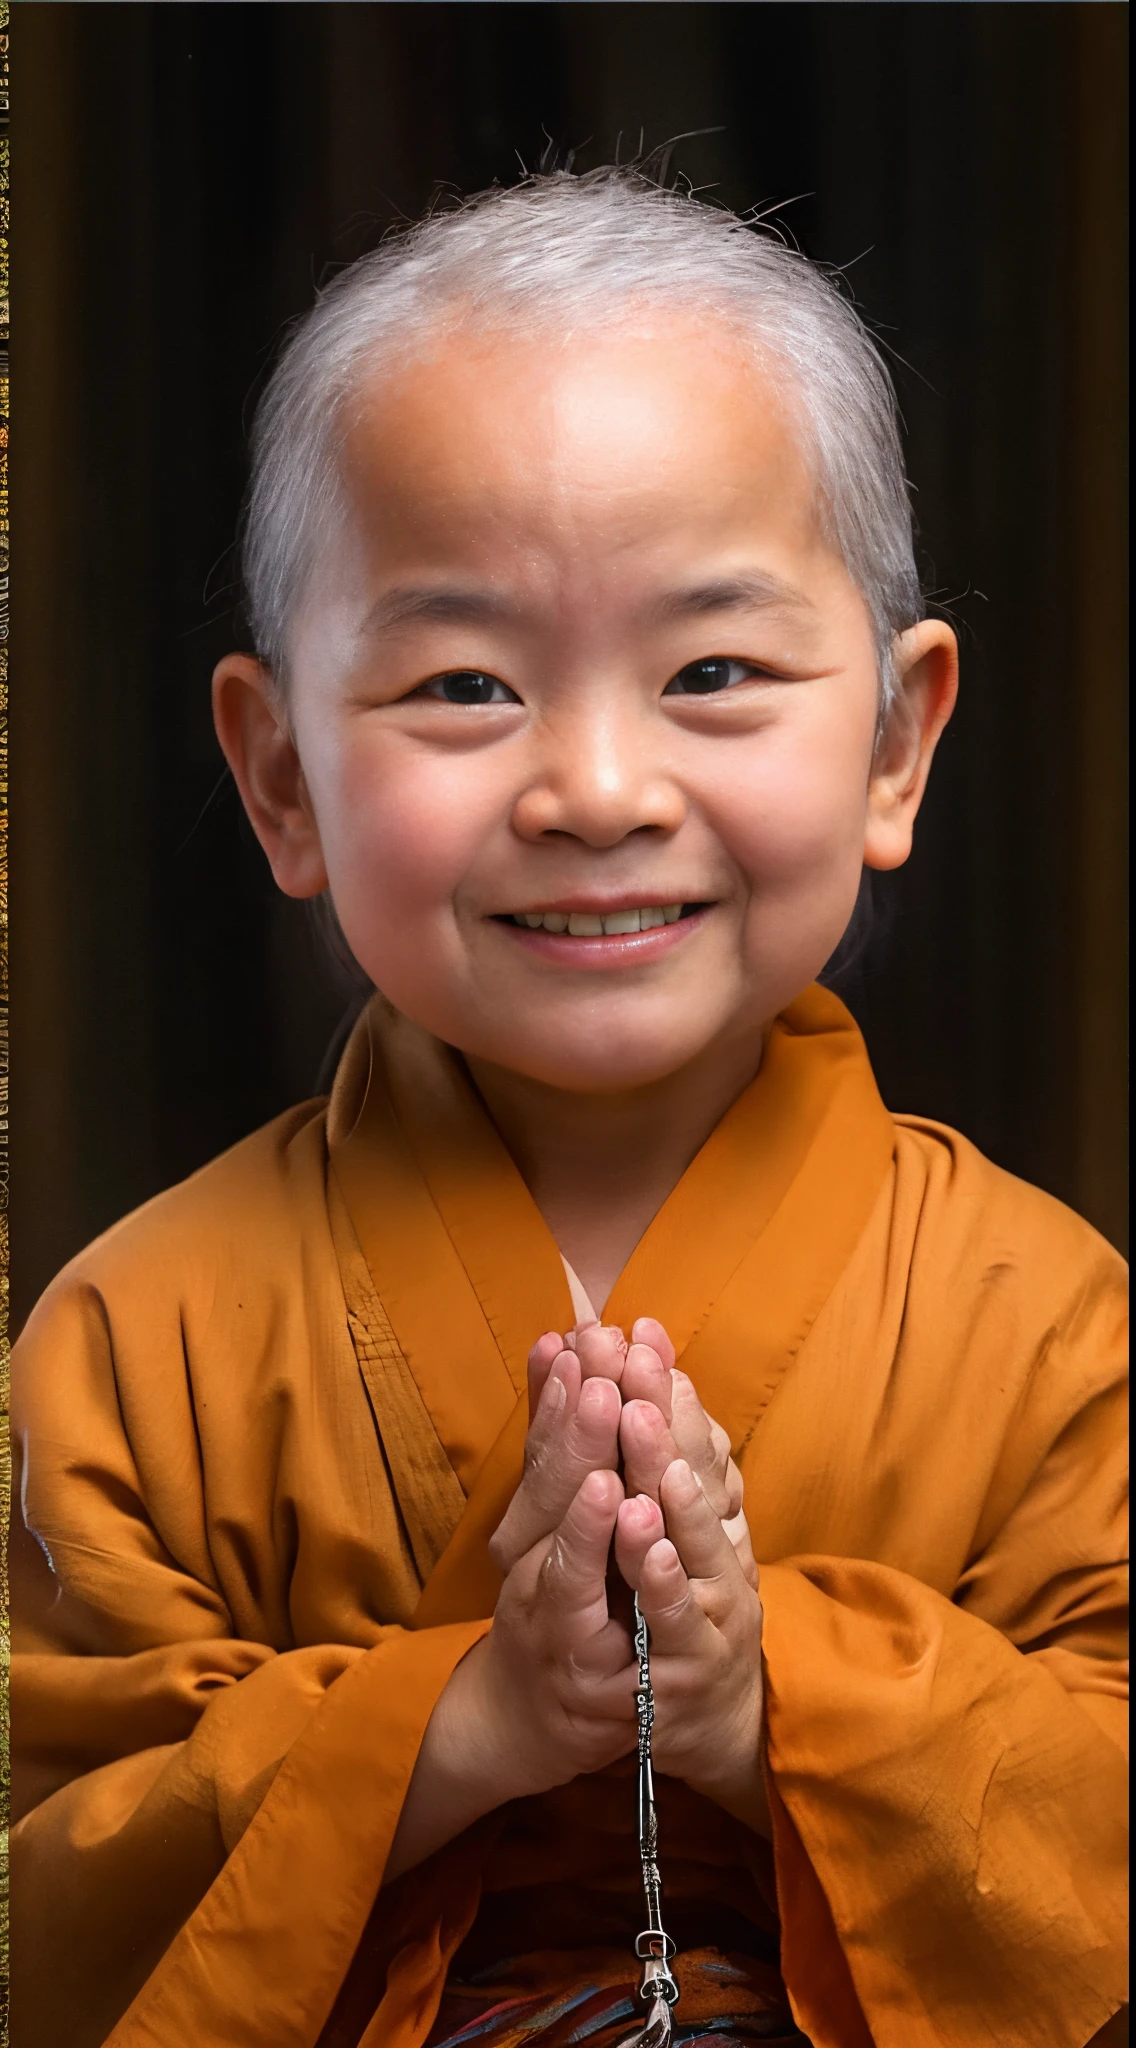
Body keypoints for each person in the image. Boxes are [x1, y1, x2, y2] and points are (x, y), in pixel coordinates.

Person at [8, 170, 1127, 2048]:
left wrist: (768, 1705)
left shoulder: (1047, 1325)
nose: (597, 786)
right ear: (282, 781)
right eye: (465, 683)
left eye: (712, 671)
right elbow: (49, 1876)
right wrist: (461, 1726)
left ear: (896, 740)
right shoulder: (139, 1339)